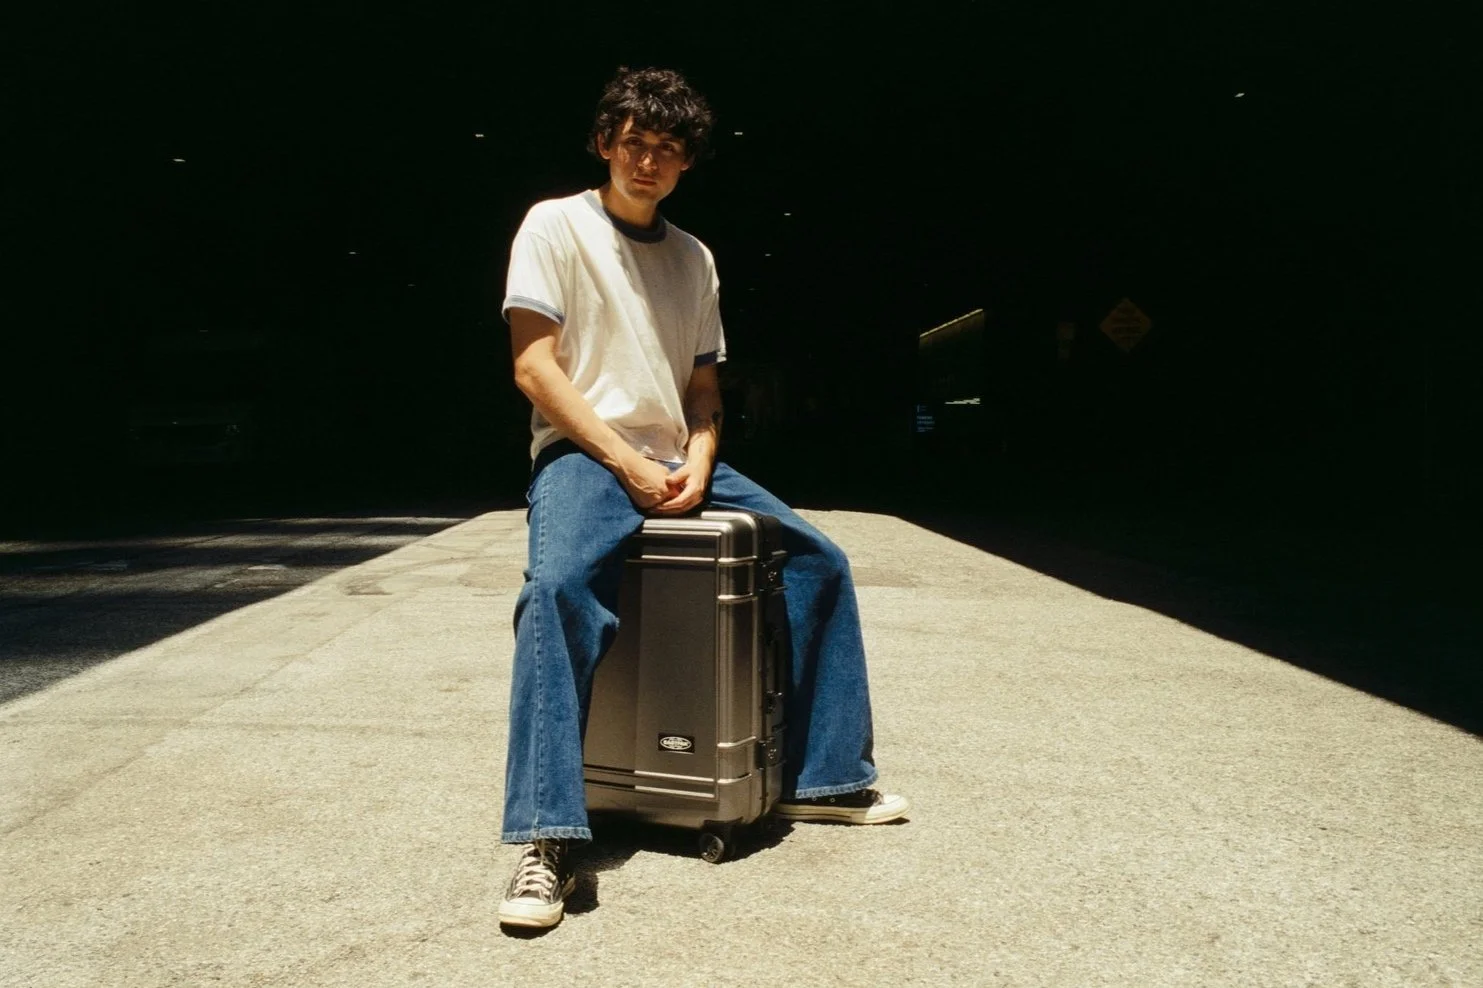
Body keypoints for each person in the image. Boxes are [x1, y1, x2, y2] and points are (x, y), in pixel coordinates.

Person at [496, 66, 909, 929]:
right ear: (603, 143)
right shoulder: (555, 225)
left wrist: (699, 454)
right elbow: (534, 368)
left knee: (818, 561)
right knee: (557, 591)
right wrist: (626, 462)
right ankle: (547, 840)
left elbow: (703, 390)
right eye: (633, 142)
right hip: (584, 453)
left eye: (668, 148)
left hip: (678, 454)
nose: (648, 160)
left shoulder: (693, 257)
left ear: (687, 162)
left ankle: (820, 779)